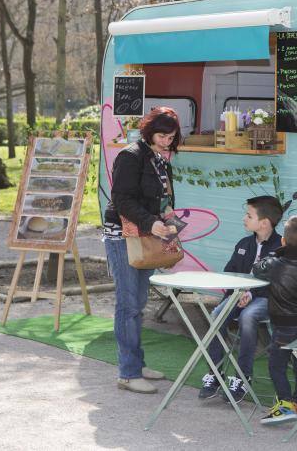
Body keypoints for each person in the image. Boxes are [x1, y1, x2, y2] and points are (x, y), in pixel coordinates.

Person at [103, 107, 182, 394]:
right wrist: (152, 221)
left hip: (147, 237)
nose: (166, 141)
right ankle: (128, 371)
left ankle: (136, 363)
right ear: (149, 132)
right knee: (128, 305)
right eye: (162, 135)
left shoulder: (161, 160)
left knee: (137, 304)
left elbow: (163, 199)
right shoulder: (130, 156)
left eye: (171, 137)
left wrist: (170, 218)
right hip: (123, 237)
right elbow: (121, 199)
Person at [198, 196, 283, 402]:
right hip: (239, 295)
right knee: (217, 314)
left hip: (266, 300)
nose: (244, 218)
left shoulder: (281, 247)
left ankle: (243, 377)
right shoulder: (244, 243)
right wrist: (235, 293)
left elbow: (277, 283)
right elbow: (230, 272)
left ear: (263, 223)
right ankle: (216, 374)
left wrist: (251, 294)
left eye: (249, 215)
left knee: (248, 317)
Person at [253, 215, 297, 424]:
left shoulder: (275, 264)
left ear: (283, 241)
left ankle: (285, 403)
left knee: (277, 366)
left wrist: (278, 252)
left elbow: (258, 269)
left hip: (283, 326)